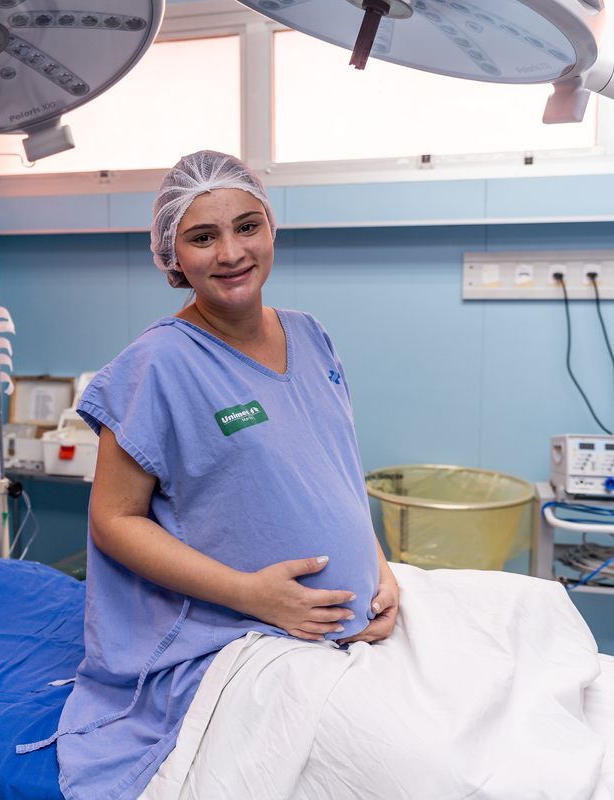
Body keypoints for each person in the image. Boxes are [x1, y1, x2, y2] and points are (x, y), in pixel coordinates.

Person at [20, 151, 399, 800]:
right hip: (238, 633)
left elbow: (331, 471)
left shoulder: (312, 336)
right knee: (406, 759)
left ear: (272, 228)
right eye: (202, 236)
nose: (231, 252)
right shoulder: (157, 365)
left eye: (247, 226)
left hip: (355, 624)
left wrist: (379, 569)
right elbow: (113, 521)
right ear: (173, 255)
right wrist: (254, 596)